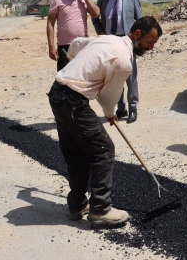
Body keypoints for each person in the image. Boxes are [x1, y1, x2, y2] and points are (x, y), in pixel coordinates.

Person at [47, 17, 162, 227]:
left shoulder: (108, 39)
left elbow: (76, 45)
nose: (151, 47)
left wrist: (74, 59)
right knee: (103, 150)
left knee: (76, 153)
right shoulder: (123, 61)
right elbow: (109, 98)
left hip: (57, 94)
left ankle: (77, 204)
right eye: (150, 42)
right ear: (138, 34)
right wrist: (110, 113)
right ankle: (100, 209)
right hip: (73, 101)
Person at [91, 0, 143, 123]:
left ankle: (133, 109)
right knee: (115, 77)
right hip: (110, 43)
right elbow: (95, 18)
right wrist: (100, 31)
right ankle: (121, 109)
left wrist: (138, 42)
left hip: (127, 42)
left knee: (130, 77)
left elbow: (140, 21)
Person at [46, 0, 100, 71]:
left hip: (82, 44)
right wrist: (51, 46)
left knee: (83, 78)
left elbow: (96, 14)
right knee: (64, 79)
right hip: (65, 46)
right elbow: (50, 24)